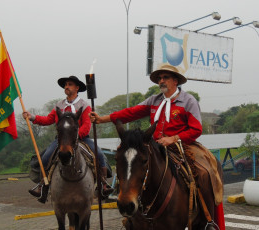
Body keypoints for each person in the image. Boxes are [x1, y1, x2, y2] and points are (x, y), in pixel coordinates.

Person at [90, 63, 225, 229]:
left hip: (183, 145)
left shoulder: (189, 101)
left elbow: (196, 129)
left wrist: (174, 138)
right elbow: (130, 112)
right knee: (133, 167)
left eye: (165, 77)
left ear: (176, 81)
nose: (161, 81)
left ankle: (208, 220)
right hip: (154, 145)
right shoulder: (154, 100)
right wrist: (102, 119)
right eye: (160, 78)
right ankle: (133, 214)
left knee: (204, 172)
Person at [23, 75, 113, 202]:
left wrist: (74, 138)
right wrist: (32, 117)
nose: (66, 87)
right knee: (46, 157)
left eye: (70, 84)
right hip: (61, 140)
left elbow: (87, 126)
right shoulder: (59, 105)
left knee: (99, 154)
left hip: (81, 138)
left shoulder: (84, 105)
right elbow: (48, 119)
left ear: (77, 88)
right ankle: (42, 186)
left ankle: (103, 184)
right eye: (65, 85)